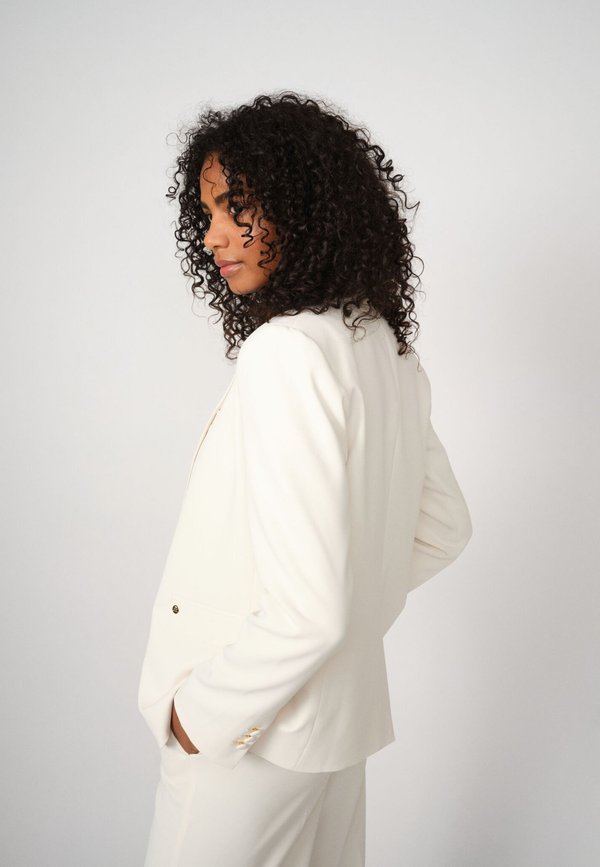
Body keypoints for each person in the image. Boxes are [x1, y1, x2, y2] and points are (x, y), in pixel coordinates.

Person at [138, 90, 472, 867]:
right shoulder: (384, 350)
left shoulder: (287, 352)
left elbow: (313, 610)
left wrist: (203, 715)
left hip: (249, 741)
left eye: (238, 208)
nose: (215, 237)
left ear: (305, 205)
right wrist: (352, 606)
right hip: (332, 732)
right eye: (207, 214)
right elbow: (444, 527)